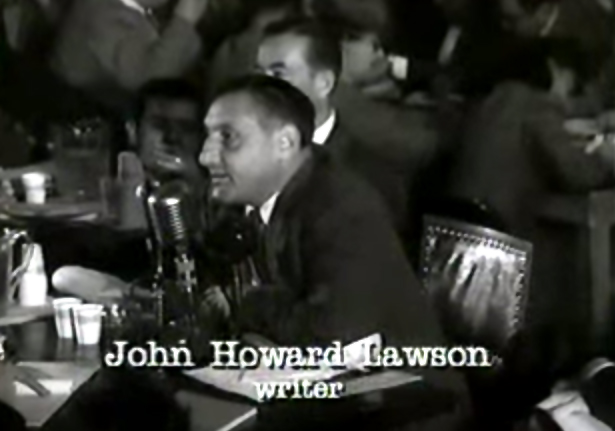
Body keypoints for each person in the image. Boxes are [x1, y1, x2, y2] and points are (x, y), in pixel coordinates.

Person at [199, 75, 469, 430]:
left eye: (228, 138)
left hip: (407, 409)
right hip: (316, 391)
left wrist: (247, 302)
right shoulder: (242, 201)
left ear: (285, 143)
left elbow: (334, 335)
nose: (204, 156)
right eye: (207, 136)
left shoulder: (341, 207)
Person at [256, 18, 411, 234]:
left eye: (278, 74)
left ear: (324, 83)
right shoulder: (231, 155)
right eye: (258, 73)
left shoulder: (370, 179)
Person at [50, 0, 208, 116]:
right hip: (92, 126)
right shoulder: (100, 13)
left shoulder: (125, 7)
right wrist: (184, 20)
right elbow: (150, 82)